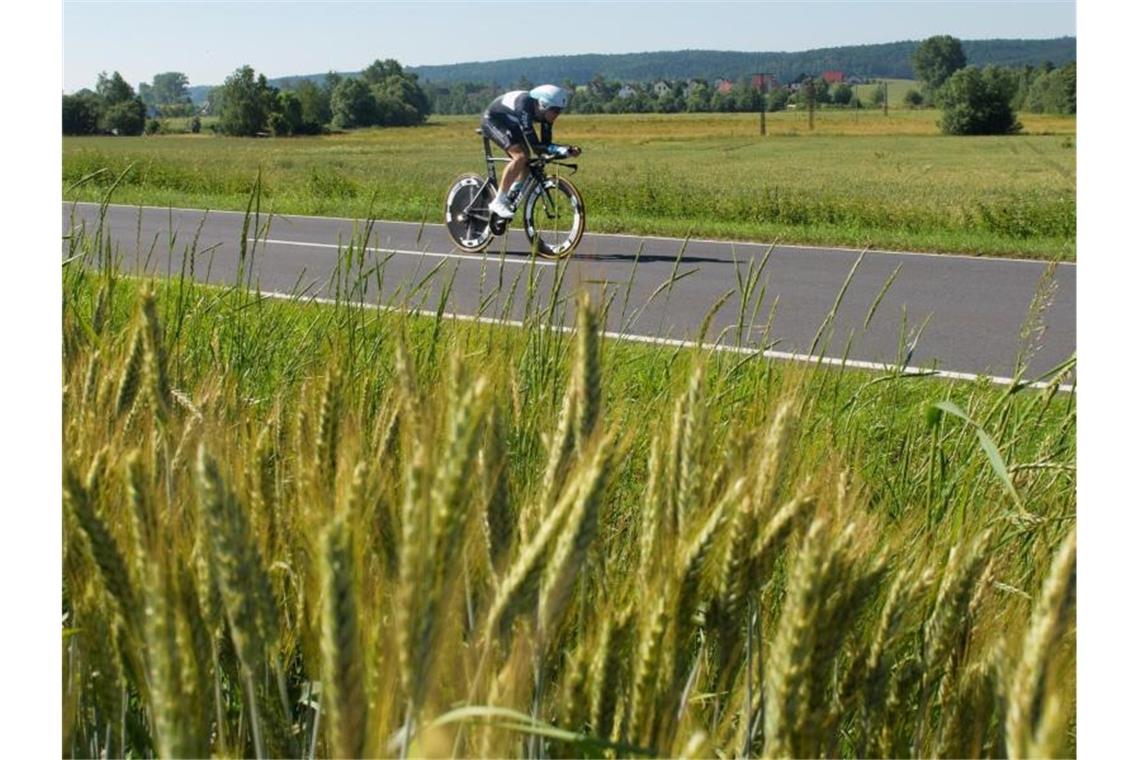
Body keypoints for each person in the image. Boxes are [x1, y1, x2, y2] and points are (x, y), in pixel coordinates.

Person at [480, 84, 581, 219]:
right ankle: (498, 201)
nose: (557, 115)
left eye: (560, 111)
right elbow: (536, 146)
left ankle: (510, 196)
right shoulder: (525, 106)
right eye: (555, 111)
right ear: (543, 105)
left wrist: (566, 150)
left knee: (528, 162)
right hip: (493, 120)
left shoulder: (545, 114)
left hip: (511, 123)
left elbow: (544, 145)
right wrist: (561, 149)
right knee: (520, 157)